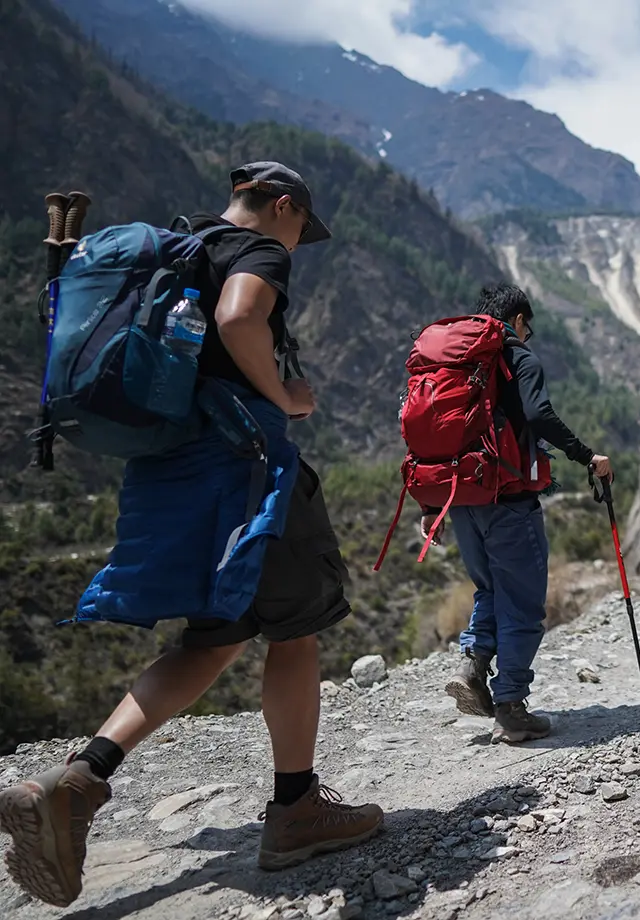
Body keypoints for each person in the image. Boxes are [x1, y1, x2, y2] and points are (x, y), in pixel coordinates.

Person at [0, 162, 382, 908]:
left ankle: (81, 782)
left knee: (213, 637)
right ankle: (296, 808)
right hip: (246, 469)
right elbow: (243, 319)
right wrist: (285, 396)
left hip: (173, 472)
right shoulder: (259, 251)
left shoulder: (182, 250)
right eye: (302, 229)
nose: (299, 246)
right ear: (283, 206)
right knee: (297, 630)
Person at [423, 283, 612, 744]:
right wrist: (585, 455)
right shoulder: (518, 359)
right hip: (508, 499)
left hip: (461, 498)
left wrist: (432, 506)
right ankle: (510, 706)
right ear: (520, 321)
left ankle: (472, 666)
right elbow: (538, 413)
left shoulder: (459, 364)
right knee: (524, 602)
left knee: (489, 588)